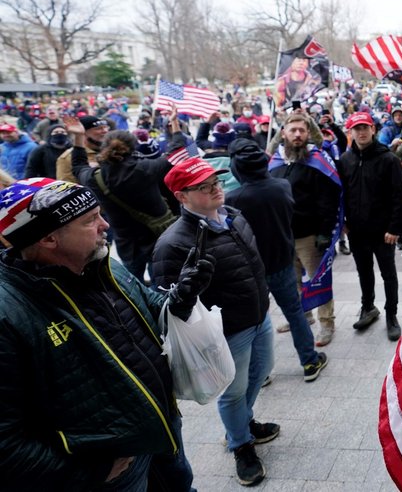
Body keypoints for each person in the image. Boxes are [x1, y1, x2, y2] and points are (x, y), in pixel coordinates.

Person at [0, 177, 208, 490]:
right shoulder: (9, 314)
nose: (105, 225)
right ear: (48, 239)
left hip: (162, 430)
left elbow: (154, 309)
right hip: (111, 470)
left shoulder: (104, 265)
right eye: (90, 220)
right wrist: (90, 472)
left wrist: (183, 295)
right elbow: (6, 443)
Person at [153, 158, 277, 487]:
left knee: (262, 370)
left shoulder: (233, 216)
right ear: (182, 197)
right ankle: (240, 443)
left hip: (259, 315)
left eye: (216, 182)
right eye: (204, 187)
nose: (216, 189)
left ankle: (242, 423)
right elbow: (169, 305)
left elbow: (252, 260)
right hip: (227, 331)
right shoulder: (174, 243)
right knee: (233, 391)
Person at [225, 139, 328, 382]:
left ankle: (261, 373)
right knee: (295, 313)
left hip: (253, 269)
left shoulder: (233, 199)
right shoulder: (282, 186)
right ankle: (309, 361)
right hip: (281, 263)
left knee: (256, 321)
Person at [66, 116, 178, 282]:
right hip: (158, 238)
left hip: (127, 243)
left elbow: (77, 166)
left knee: (134, 286)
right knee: (162, 284)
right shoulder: (148, 168)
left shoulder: (94, 178)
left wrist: (78, 138)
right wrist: (175, 126)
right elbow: (180, 153)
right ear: (134, 147)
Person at [268, 113, 343, 347]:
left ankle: (326, 323)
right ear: (284, 134)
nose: (298, 134)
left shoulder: (317, 161)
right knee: (293, 283)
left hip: (310, 236)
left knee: (318, 280)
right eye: (293, 131)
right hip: (282, 237)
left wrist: (324, 232)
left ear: (308, 133)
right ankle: (303, 317)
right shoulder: (274, 164)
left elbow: (328, 201)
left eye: (302, 130)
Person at [337, 111, 402, 341]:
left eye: (365, 127)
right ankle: (368, 307)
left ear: (373, 130)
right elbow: (341, 194)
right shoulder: (345, 160)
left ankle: (391, 315)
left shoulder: (387, 159)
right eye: (356, 129)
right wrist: (343, 223)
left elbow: (400, 196)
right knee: (364, 272)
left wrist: (395, 229)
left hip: (383, 232)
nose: (361, 132)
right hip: (357, 231)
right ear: (350, 132)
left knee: (388, 274)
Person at [56, 115, 108, 183]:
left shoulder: (112, 151)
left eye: (106, 127)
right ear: (84, 132)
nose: (105, 131)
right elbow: (67, 187)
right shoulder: (68, 157)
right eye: (98, 128)